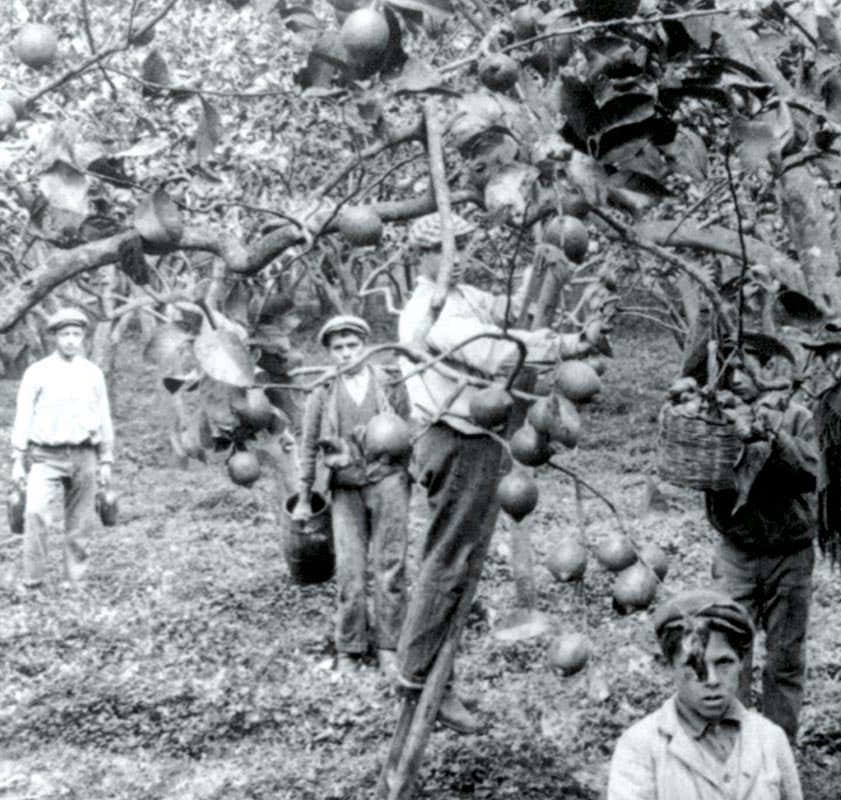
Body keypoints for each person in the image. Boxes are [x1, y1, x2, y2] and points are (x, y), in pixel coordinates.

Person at [395, 213, 608, 734]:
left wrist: (543, 273)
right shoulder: (430, 313)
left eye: (463, 245)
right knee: (449, 560)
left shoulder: (461, 294)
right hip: (456, 442)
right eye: (447, 249)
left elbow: (511, 311)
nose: (459, 256)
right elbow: (495, 347)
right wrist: (569, 344)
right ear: (421, 258)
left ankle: (432, 677)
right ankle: (417, 678)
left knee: (460, 561)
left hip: (478, 439)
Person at [296, 315, 412, 676]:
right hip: (345, 490)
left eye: (352, 346)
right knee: (350, 571)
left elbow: (408, 429)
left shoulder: (389, 383)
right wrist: (303, 495)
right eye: (338, 348)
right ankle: (350, 647)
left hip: (388, 482)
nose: (347, 354)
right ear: (330, 353)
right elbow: (309, 444)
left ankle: (390, 645)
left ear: (366, 347)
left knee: (390, 566)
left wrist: (407, 469)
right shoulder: (323, 391)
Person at [607, 589, 804, 800]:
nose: (711, 680)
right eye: (694, 665)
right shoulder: (641, 746)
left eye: (724, 663)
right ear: (670, 667)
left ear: (741, 663)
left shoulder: (770, 739)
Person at [706, 392, 818, 741]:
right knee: (725, 651)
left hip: (790, 554)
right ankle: (729, 745)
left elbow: (812, 472)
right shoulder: (715, 414)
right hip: (737, 552)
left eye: (751, 362)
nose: (740, 377)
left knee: (785, 658)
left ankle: (778, 747)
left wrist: (770, 436)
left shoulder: (797, 417)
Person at [10, 308, 114, 590]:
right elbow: (23, 416)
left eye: (76, 334)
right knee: (35, 513)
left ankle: (75, 581)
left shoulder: (92, 373)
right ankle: (33, 580)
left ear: (83, 338)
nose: (70, 340)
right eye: (65, 334)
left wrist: (106, 459)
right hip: (45, 455)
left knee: (80, 522)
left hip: (85, 455)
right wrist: (17, 459)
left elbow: (104, 417)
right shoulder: (37, 372)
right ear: (55, 336)